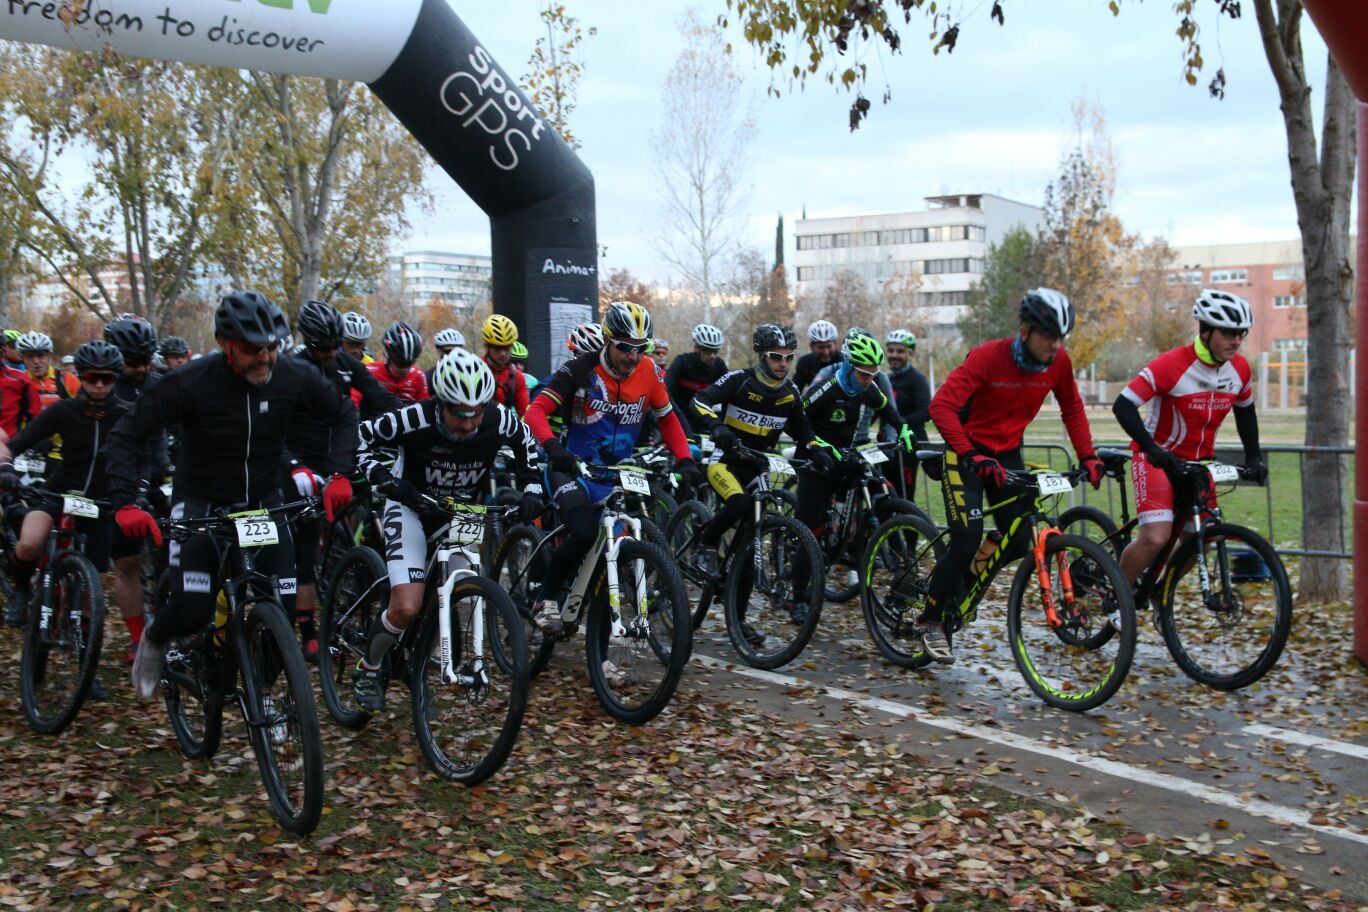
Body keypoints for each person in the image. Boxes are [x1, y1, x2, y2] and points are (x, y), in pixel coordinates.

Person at [108, 291, 358, 701]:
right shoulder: (189, 382)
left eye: (270, 348)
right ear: (226, 344)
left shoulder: (294, 375)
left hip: (262, 504)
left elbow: (344, 414)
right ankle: (155, 637)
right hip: (202, 503)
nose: (263, 359)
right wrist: (126, 502)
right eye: (251, 350)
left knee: (283, 611)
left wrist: (340, 474)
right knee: (193, 610)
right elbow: (125, 435)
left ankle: (258, 703)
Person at [913, 288, 1106, 664]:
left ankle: (959, 588)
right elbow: (941, 406)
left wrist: (1088, 456)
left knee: (1020, 536)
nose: (1054, 345)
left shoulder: (1059, 363)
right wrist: (969, 452)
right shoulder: (989, 356)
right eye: (1048, 336)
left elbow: (1073, 409)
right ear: (1026, 330)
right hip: (966, 454)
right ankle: (930, 619)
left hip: (1007, 454)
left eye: (1060, 338)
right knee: (966, 537)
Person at [350, 349, 545, 710]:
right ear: (440, 402)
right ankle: (369, 666)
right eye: (458, 413)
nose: (469, 423)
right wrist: (383, 480)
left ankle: (422, 659)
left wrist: (532, 487)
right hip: (410, 506)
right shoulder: (413, 418)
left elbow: (527, 444)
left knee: (463, 588)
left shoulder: (499, 419)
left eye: (476, 413)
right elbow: (360, 438)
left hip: (461, 510)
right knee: (407, 606)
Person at [523, 301, 703, 631]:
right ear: (607, 339)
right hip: (572, 469)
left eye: (640, 348)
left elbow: (668, 419)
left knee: (612, 562)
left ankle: (604, 660)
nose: (632, 356)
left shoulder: (649, 371)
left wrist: (686, 459)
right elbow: (535, 412)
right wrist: (551, 447)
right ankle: (544, 597)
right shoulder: (580, 369)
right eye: (624, 347)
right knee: (584, 533)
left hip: (614, 475)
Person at [0, 342, 147, 657]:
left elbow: (143, 457)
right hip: (58, 490)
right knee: (29, 542)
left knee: (95, 580)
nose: (98, 385)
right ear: (80, 375)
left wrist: (140, 490)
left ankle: (84, 657)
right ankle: (21, 592)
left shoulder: (126, 414)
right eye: (92, 377)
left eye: (106, 379)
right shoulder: (63, 411)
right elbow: (16, 443)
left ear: (114, 379)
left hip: (101, 501)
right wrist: (6, 468)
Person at [1112, 289, 1264, 590]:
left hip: (1200, 463)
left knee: (1202, 541)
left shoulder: (1240, 369)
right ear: (1205, 331)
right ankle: (1117, 597)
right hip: (1157, 457)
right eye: (1228, 333)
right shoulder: (1171, 364)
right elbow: (1123, 405)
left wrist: (1253, 457)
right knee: (1156, 536)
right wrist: (1152, 448)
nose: (1236, 341)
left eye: (1241, 334)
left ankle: (1161, 597)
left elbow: (1246, 412)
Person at [690, 324, 832, 643]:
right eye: (775, 357)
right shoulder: (739, 380)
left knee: (750, 548)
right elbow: (699, 401)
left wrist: (819, 450)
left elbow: (804, 432)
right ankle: (706, 543)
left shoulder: (790, 392)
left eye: (788, 357)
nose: (783, 363)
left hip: (759, 468)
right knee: (738, 505)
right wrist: (716, 427)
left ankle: (738, 622)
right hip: (725, 463)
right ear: (761, 355)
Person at [288, 300, 399, 658]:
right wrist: (294, 465)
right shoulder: (293, 367)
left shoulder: (347, 364)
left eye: (336, 346)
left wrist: (420, 422)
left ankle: (352, 568)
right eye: (323, 348)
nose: (330, 354)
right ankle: (307, 630)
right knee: (304, 544)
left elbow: (381, 399)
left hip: (340, 455)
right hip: (302, 459)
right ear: (308, 341)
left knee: (357, 517)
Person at [796, 332, 916, 619]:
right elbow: (798, 419)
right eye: (864, 374)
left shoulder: (866, 388)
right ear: (850, 366)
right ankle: (798, 596)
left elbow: (888, 411)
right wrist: (815, 445)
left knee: (877, 485)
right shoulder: (826, 388)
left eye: (873, 374)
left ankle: (857, 544)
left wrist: (903, 429)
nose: (869, 379)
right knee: (811, 528)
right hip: (817, 459)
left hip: (847, 454)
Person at [882, 329, 932, 497]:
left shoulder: (917, 379)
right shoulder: (885, 379)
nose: (894, 355)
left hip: (909, 444)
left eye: (900, 351)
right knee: (886, 493)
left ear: (910, 353)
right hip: (888, 443)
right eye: (891, 350)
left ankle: (907, 523)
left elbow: (926, 411)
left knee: (904, 495)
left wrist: (898, 422)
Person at [664, 323, 727, 436]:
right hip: (680, 418)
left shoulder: (719, 366)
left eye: (715, 351)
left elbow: (728, 395)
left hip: (705, 420)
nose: (712, 356)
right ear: (696, 348)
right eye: (707, 351)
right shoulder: (682, 362)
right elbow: (666, 391)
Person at [366, 321, 429, 404]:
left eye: (409, 364)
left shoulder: (418, 376)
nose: (404, 369)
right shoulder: (370, 372)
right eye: (400, 364)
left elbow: (425, 411)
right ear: (388, 357)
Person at [481, 314, 529, 417]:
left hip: (503, 429)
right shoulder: (475, 369)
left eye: (507, 347)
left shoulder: (517, 377)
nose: (503, 353)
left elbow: (525, 413)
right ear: (487, 346)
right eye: (497, 348)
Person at [17, 332, 78, 409]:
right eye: (30, 357)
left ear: (49, 356)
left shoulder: (67, 379)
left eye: (41, 355)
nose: (36, 361)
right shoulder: (19, 383)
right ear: (23, 359)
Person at [795, 320, 843, 391]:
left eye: (829, 346)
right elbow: (797, 389)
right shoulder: (804, 362)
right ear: (811, 346)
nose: (826, 352)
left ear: (835, 344)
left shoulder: (844, 361)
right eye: (821, 347)